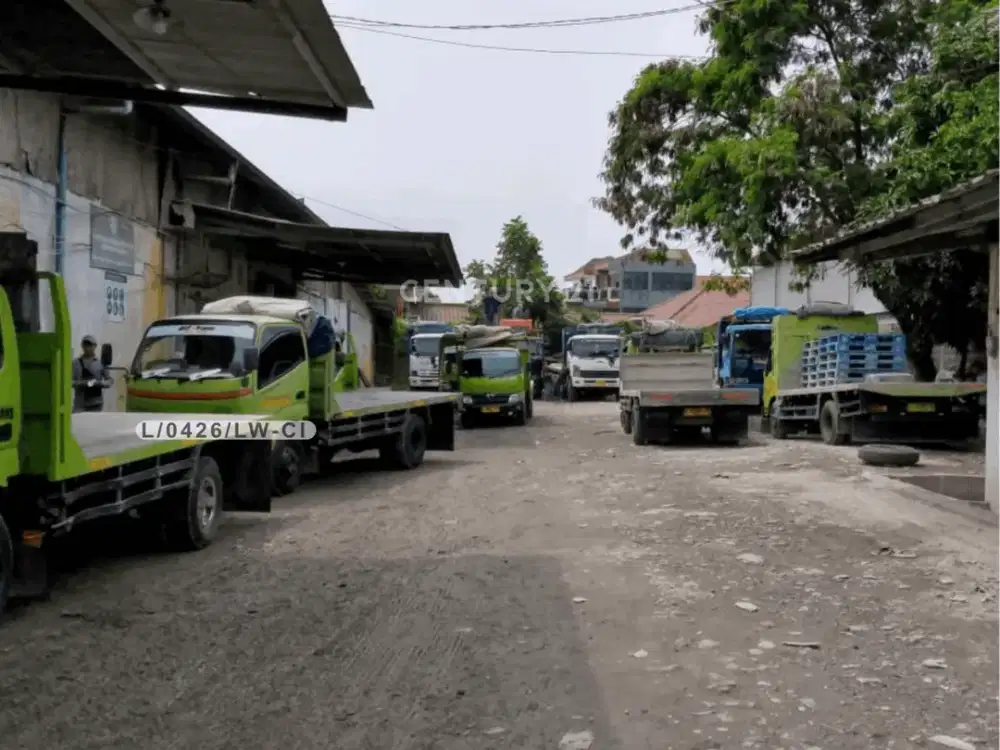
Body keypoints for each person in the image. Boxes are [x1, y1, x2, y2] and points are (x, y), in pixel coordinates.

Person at [72, 335, 112, 413]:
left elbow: (109, 381)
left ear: (95, 346)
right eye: (85, 345)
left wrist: (99, 383)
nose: (87, 348)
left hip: (96, 403)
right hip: (80, 404)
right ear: (82, 346)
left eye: (90, 345)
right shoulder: (75, 363)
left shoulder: (100, 363)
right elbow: (69, 382)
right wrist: (84, 383)